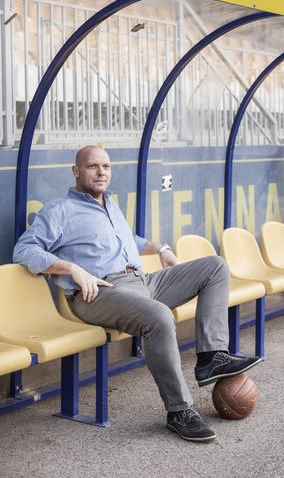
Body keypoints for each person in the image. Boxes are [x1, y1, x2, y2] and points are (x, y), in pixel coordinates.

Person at [13, 145, 261, 442]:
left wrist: (161, 249)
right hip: (99, 293)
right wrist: (72, 269)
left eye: (105, 166)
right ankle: (179, 410)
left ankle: (212, 357)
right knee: (158, 315)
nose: (101, 172)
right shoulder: (59, 210)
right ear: (76, 171)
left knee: (215, 267)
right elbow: (24, 250)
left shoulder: (110, 205)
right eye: (92, 166)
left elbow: (127, 241)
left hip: (141, 282)